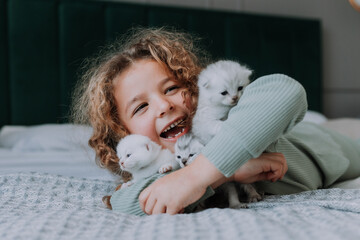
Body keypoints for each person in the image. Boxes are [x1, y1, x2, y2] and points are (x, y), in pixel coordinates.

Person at [71, 27, 360, 216]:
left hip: (332, 150)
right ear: (122, 133)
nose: (164, 106)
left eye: (171, 88)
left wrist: (196, 175)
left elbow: (286, 90)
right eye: (141, 107)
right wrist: (225, 173)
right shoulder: (158, 174)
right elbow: (127, 203)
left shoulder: (231, 121)